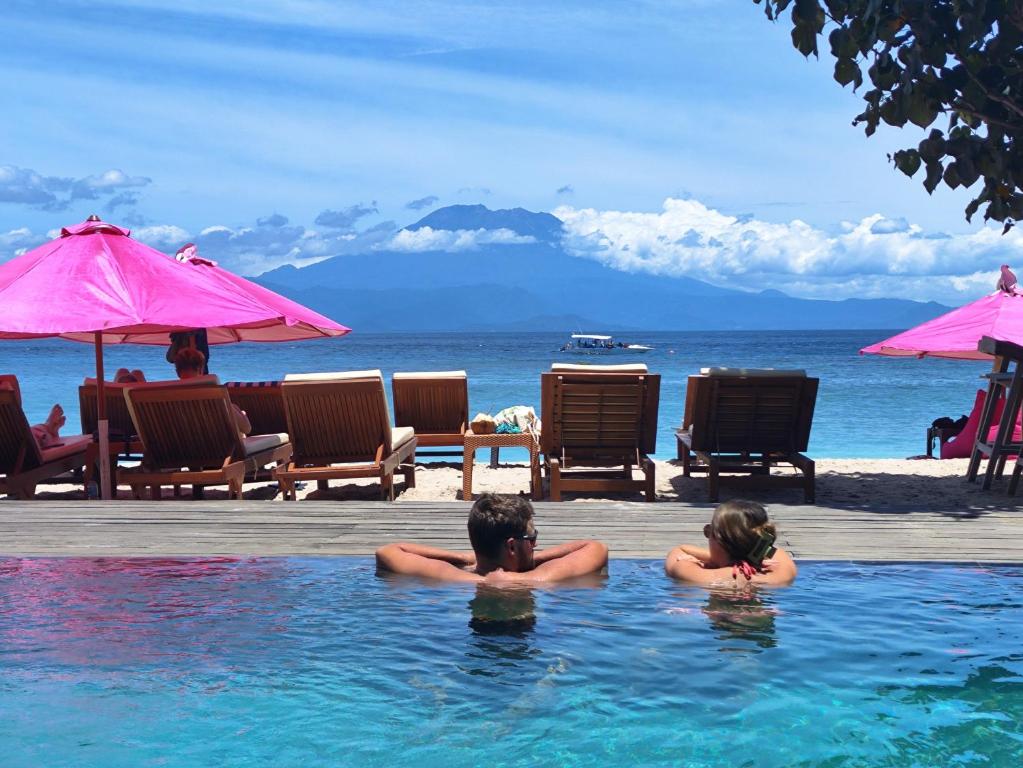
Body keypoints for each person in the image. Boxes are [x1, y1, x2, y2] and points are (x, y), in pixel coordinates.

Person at [376, 493, 608, 583]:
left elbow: (388, 551)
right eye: (532, 538)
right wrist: (526, 569)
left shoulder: (456, 578)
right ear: (512, 547)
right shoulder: (541, 578)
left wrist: (467, 559)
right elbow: (594, 547)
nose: (535, 545)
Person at [665, 500, 797, 587]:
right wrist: (753, 559)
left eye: (708, 531)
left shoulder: (700, 576)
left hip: (719, 615)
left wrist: (706, 561)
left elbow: (679, 550)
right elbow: (776, 551)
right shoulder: (781, 575)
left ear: (719, 541)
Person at [173, 348, 251, 436]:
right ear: (200, 369)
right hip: (222, 447)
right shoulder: (211, 394)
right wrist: (241, 413)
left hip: (182, 446)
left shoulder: (169, 397)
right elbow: (247, 428)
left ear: (177, 372)